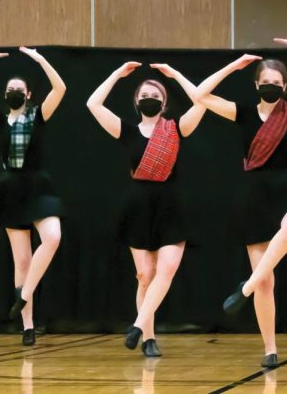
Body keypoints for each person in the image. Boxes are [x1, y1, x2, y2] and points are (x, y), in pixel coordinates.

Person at [195, 38, 287, 368]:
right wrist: (233, 66)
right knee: (266, 280)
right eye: (265, 82)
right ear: (257, 84)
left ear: (285, 86)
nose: (271, 86)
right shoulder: (241, 113)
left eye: (277, 82)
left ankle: (243, 289)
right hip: (253, 196)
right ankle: (270, 350)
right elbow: (199, 95)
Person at [86, 61, 208, 357]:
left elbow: (202, 100)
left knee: (166, 269)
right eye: (144, 93)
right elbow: (93, 103)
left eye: (155, 93)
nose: (149, 97)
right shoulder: (126, 130)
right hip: (138, 208)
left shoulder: (176, 127)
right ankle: (148, 336)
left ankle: (138, 327)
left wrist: (176, 74)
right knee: (145, 275)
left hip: (171, 207)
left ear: (164, 102)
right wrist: (116, 73)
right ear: (137, 101)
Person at [0, 47, 66, 346]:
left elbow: (60, 87)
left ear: (27, 95)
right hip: (10, 189)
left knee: (52, 237)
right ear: (5, 95)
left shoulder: (39, 115)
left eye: (19, 89)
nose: (14, 92)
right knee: (22, 261)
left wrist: (39, 59)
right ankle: (27, 326)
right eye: (10, 89)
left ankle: (22, 295)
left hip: (38, 184)